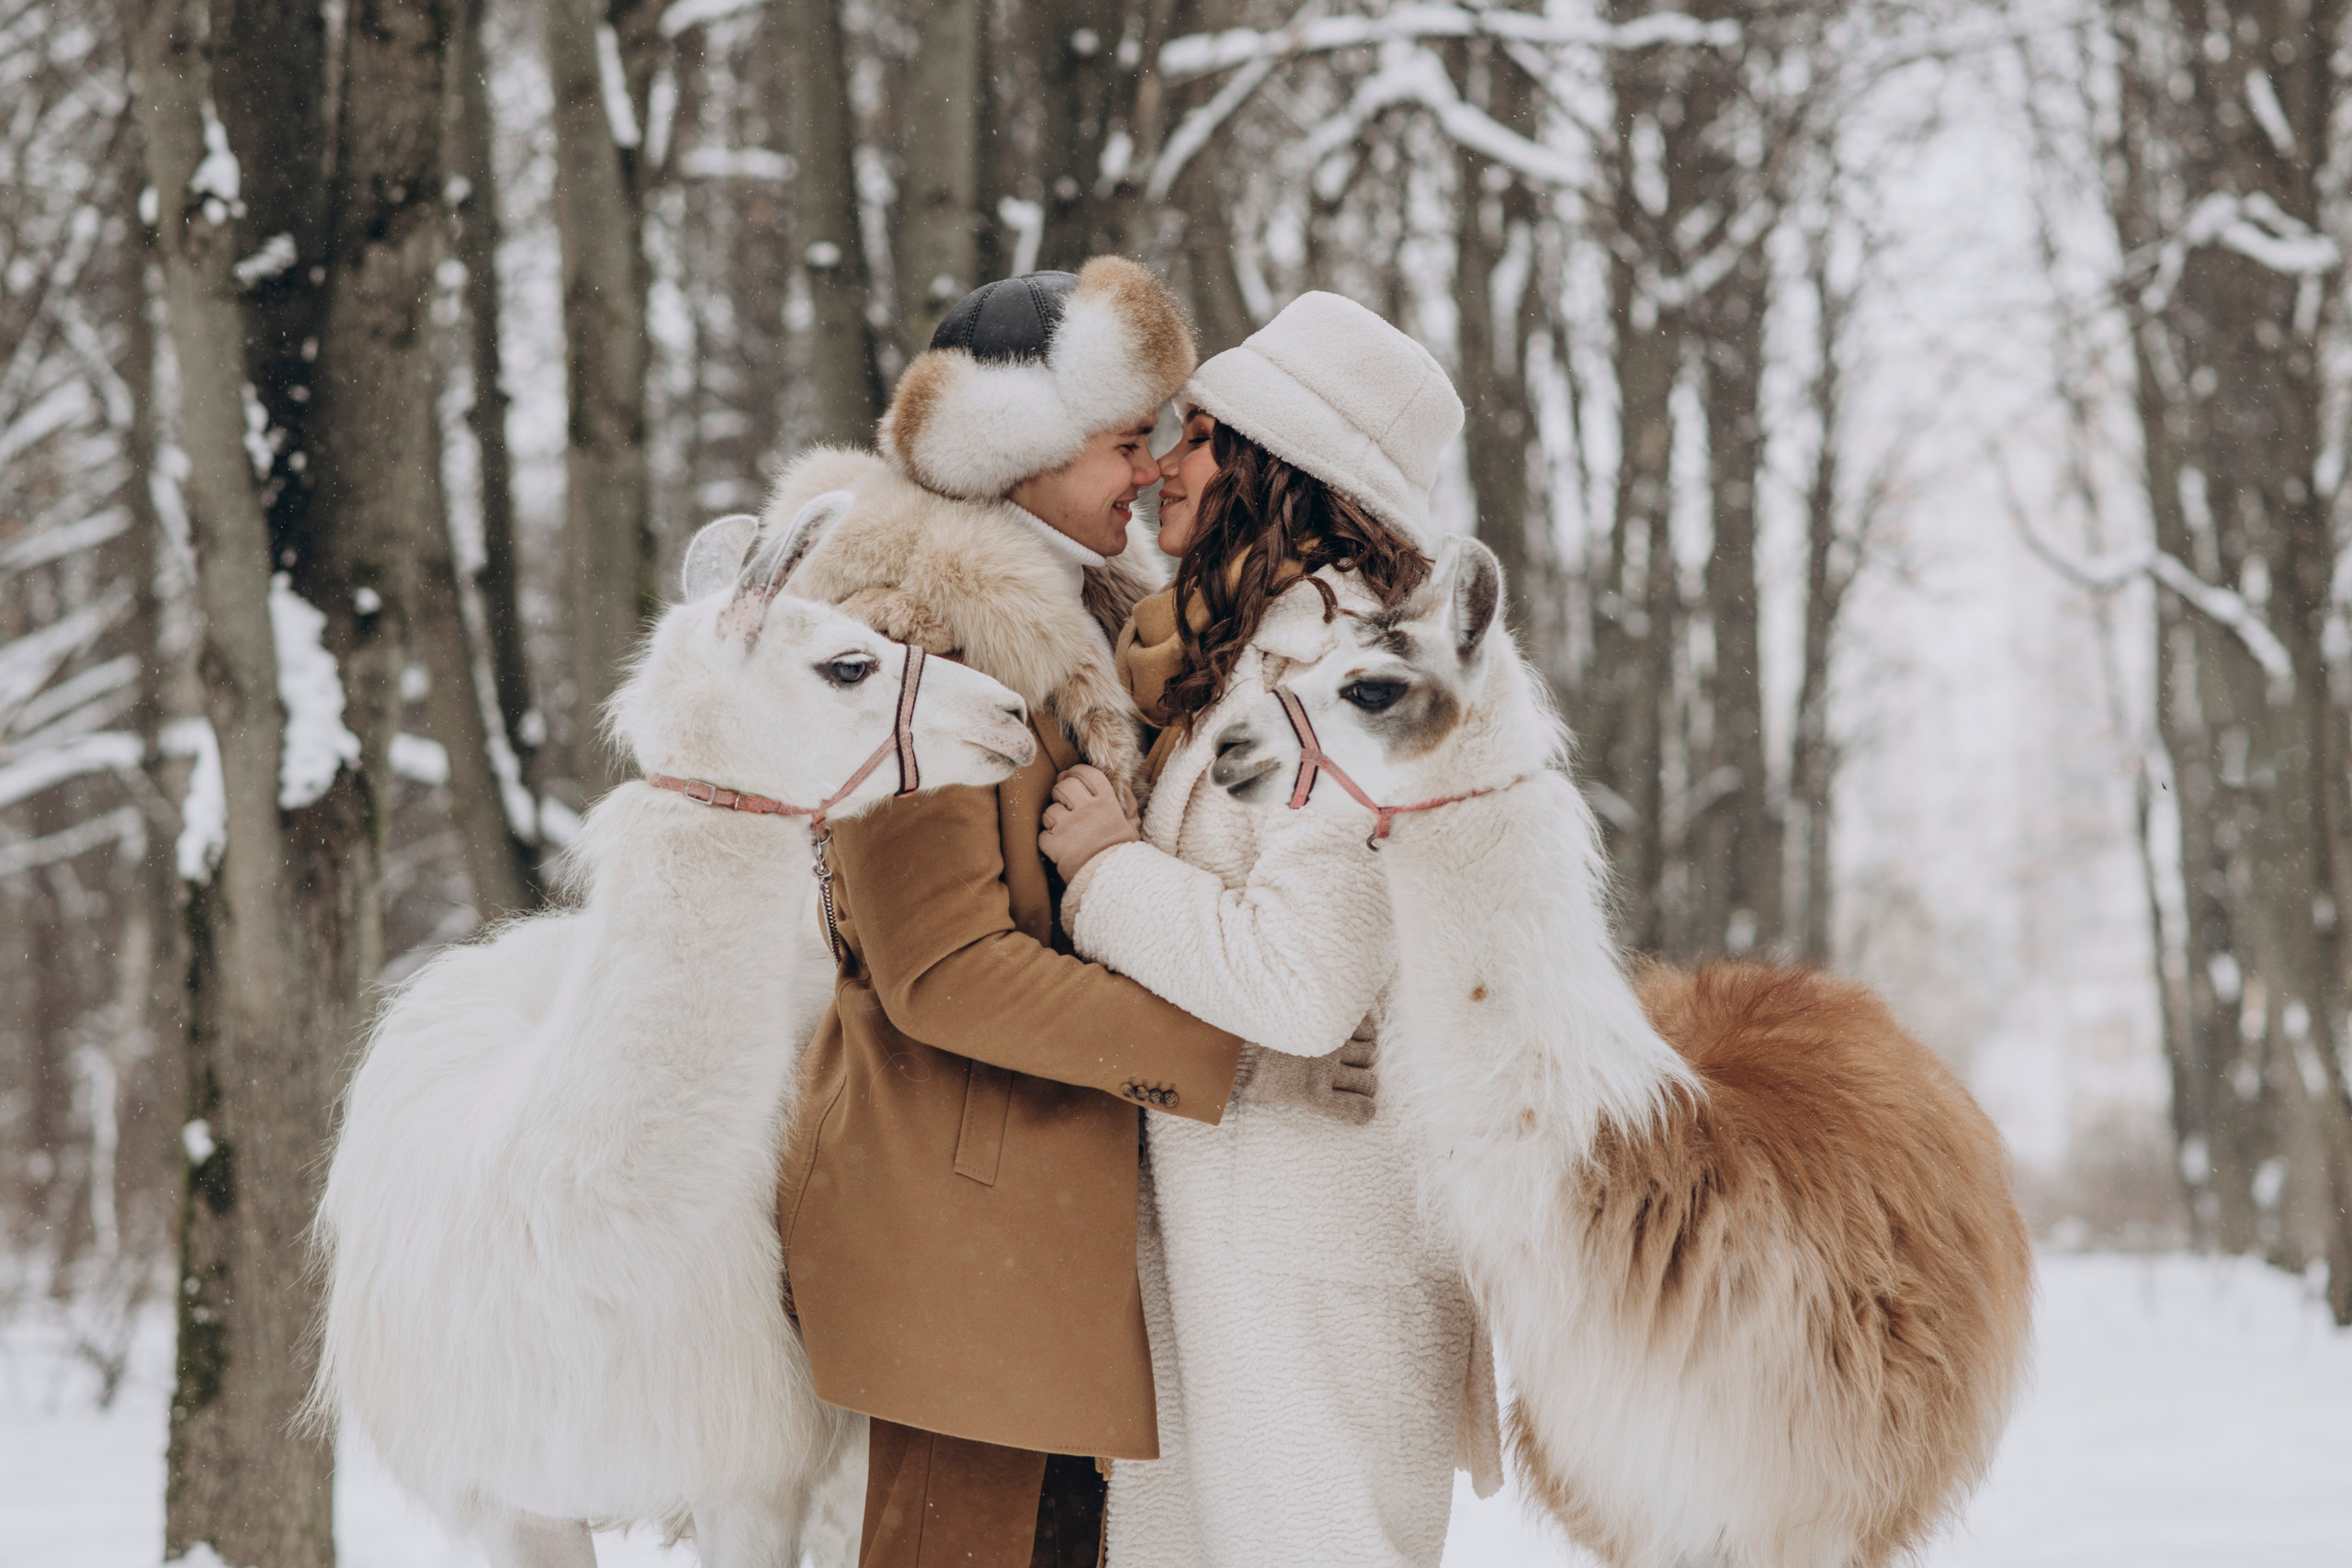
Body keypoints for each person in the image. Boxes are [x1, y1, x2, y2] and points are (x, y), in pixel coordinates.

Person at [767, 259, 1372, 1568]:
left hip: (1050, 1250)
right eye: (1122, 442)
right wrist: (1244, 1050)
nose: (1152, 473)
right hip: (962, 1237)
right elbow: (946, 970)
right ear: (1018, 451)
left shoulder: (1093, 628)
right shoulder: (911, 636)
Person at [1037, 290, 1503, 1568]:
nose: (1168, 463)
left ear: (1269, 474)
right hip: (1247, 1240)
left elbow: (1298, 975)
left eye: (1198, 437)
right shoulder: (1265, 666)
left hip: (1313, 1253)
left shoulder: (1354, 680)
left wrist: (1108, 874)